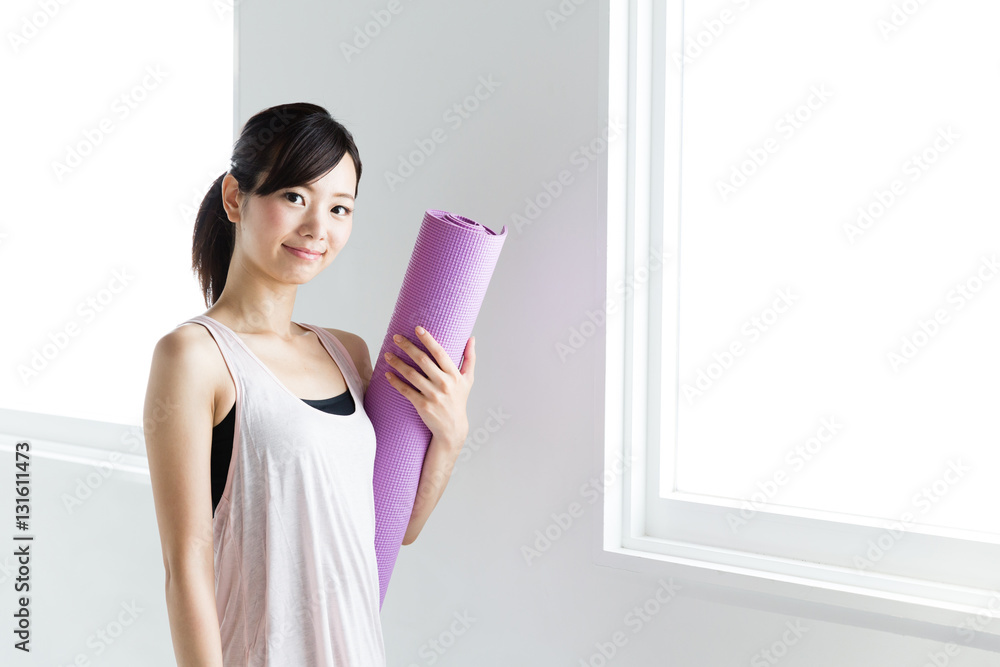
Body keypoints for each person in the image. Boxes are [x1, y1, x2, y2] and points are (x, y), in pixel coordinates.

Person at [142, 102, 475, 666]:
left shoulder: (348, 352)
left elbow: (389, 529)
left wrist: (451, 436)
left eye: (340, 207)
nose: (318, 228)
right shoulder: (194, 356)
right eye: (295, 197)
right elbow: (185, 566)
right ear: (234, 198)